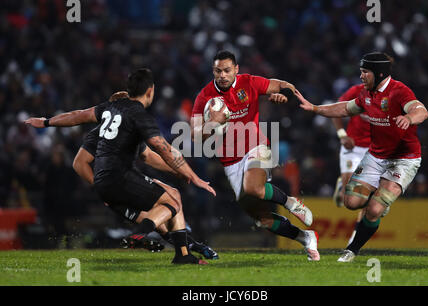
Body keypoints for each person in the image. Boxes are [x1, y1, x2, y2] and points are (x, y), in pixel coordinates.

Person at [25, 68, 216, 265]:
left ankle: (184, 252)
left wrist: (47, 121)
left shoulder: (111, 114)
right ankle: (141, 235)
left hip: (105, 183)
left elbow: (79, 116)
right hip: (121, 178)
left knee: (166, 204)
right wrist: (193, 176)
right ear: (150, 91)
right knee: (173, 202)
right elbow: (163, 149)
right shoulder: (138, 117)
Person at [295, 52, 428, 262]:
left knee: (374, 209)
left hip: (403, 159)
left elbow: (421, 110)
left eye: (365, 72)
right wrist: (314, 108)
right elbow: (345, 108)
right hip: (375, 156)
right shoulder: (366, 94)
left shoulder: (399, 91)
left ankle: (352, 249)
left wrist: (409, 117)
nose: (361, 76)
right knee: (351, 202)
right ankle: (379, 191)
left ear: (379, 73)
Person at [190, 50, 319, 261]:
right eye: (217, 71)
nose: (222, 75)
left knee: (253, 187)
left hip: (256, 146)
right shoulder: (205, 97)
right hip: (230, 161)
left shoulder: (249, 82)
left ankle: (290, 202)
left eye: (227, 70)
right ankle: (305, 238)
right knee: (263, 220)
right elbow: (195, 136)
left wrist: (282, 93)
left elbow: (283, 85)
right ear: (213, 71)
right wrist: (213, 123)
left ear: (236, 70)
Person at [72, 91, 219, 259]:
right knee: (170, 203)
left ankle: (189, 249)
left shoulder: (118, 129)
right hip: (120, 184)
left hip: (119, 185)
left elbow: (147, 155)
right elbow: (79, 163)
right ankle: (163, 243)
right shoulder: (115, 129)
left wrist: (176, 169)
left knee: (163, 218)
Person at [331, 84, 370, 245]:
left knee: (364, 196)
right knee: (347, 198)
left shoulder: (393, 96)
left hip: (373, 152)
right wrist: (342, 135)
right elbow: (335, 111)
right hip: (352, 148)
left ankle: (355, 238)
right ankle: (342, 185)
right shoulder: (357, 91)